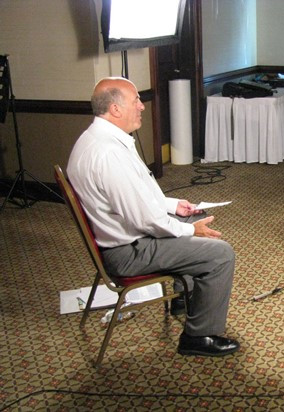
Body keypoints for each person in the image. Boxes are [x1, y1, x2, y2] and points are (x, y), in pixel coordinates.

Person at [67, 77, 239, 356]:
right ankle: (199, 337)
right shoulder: (108, 153)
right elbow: (144, 220)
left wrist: (173, 206)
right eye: (135, 100)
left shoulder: (96, 138)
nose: (142, 106)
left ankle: (184, 300)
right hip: (127, 251)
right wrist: (189, 231)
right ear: (115, 109)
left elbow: (136, 197)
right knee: (221, 254)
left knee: (191, 219)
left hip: (122, 237)